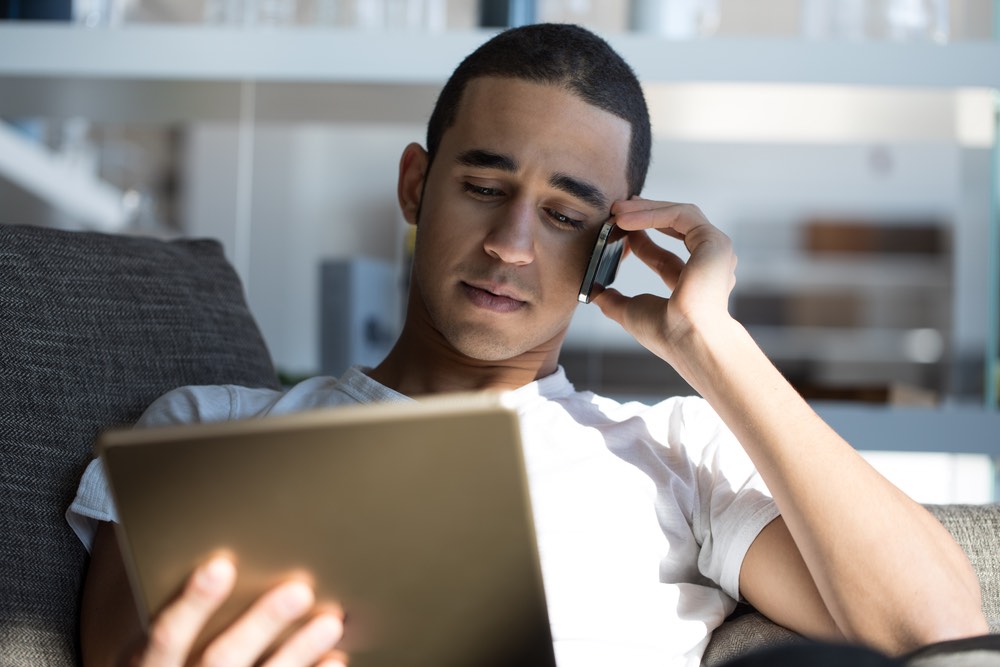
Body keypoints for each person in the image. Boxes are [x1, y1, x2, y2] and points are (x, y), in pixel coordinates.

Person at [68, 23, 988, 667]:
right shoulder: (205, 433)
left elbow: (937, 630)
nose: (511, 245)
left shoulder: (674, 454)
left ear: (607, 250)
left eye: (563, 215)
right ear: (415, 184)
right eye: (482, 186)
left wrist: (716, 347)